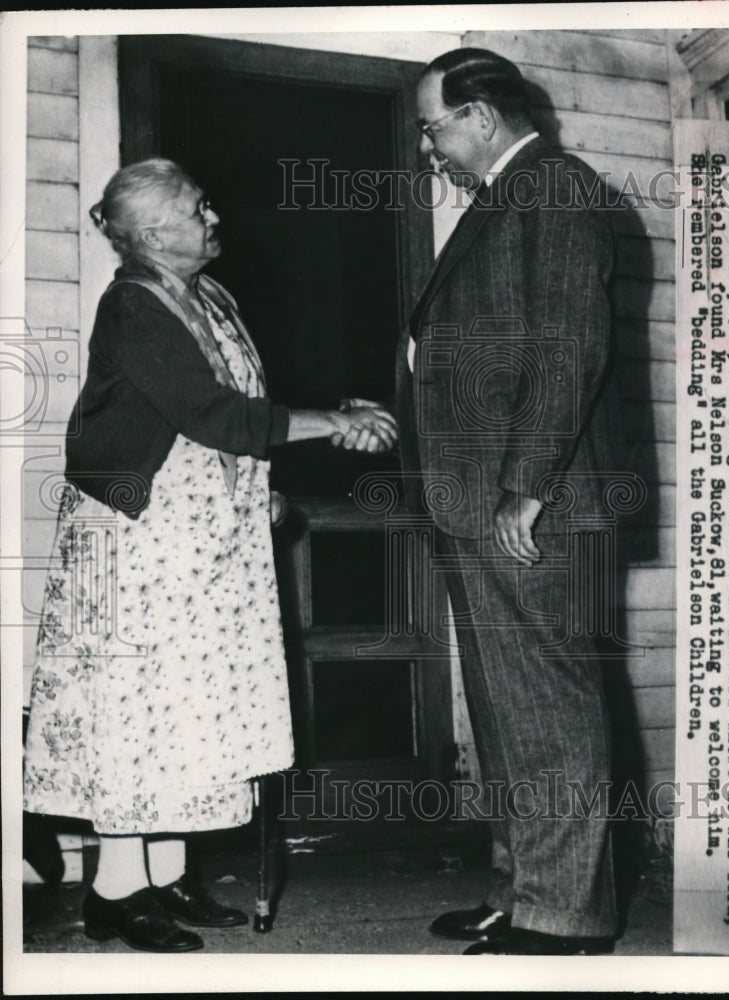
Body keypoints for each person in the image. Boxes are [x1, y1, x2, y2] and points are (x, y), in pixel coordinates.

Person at [22, 158, 396, 953]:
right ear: (155, 235)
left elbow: (241, 411)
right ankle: (115, 891)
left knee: (187, 707)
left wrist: (270, 478)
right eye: (198, 209)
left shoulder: (211, 297)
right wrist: (334, 423)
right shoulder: (134, 303)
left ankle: (164, 875)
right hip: (139, 539)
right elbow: (211, 414)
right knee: (136, 707)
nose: (214, 216)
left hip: (199, 542)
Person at [395, 48, 619, 955]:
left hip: (530, 500)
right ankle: (523, 892)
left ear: (480, 117)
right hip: (481, 494)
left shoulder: (554, 187)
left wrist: (527, 487)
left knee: (548, 707)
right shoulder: (506, 198)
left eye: (432, 128)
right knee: (505, 708)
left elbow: (568, 345)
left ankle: (564, 917)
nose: (428, 147)